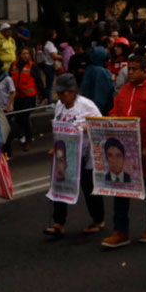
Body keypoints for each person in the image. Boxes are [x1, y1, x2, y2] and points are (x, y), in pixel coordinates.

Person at [101, 54, 146, 249]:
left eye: (134, 69)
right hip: (127, 152)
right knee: (121, 189)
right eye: (128, 69)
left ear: (145, 71)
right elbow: (116, 111)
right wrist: (106, 122)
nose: (129, 72)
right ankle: (120, 230)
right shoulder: (125, 90)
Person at [44, 74, 106, 238]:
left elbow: (101, 126)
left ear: (72, 91)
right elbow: (58, 128)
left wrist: (84, 128)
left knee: (88, 187)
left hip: (85, 154)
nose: (60, 96)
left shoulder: (87, 106)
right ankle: (59, 223)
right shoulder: (59, 106)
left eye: (63, 93)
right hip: (64, 153)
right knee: (60, 186)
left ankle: (98, 220)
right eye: (58, 93)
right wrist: (53, 146)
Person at [8, 47, 40, 152]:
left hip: (29, 97)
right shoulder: (13, 65)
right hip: (17, 97)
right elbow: (8, 78)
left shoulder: (32, 66)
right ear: (20, 55)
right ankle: (23, 135)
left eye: (27, 53)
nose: (26, 55)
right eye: (24, 53)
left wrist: (43, 95)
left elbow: (38, 81)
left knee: (25, 117)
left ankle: (29, 139)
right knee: (19, 118)